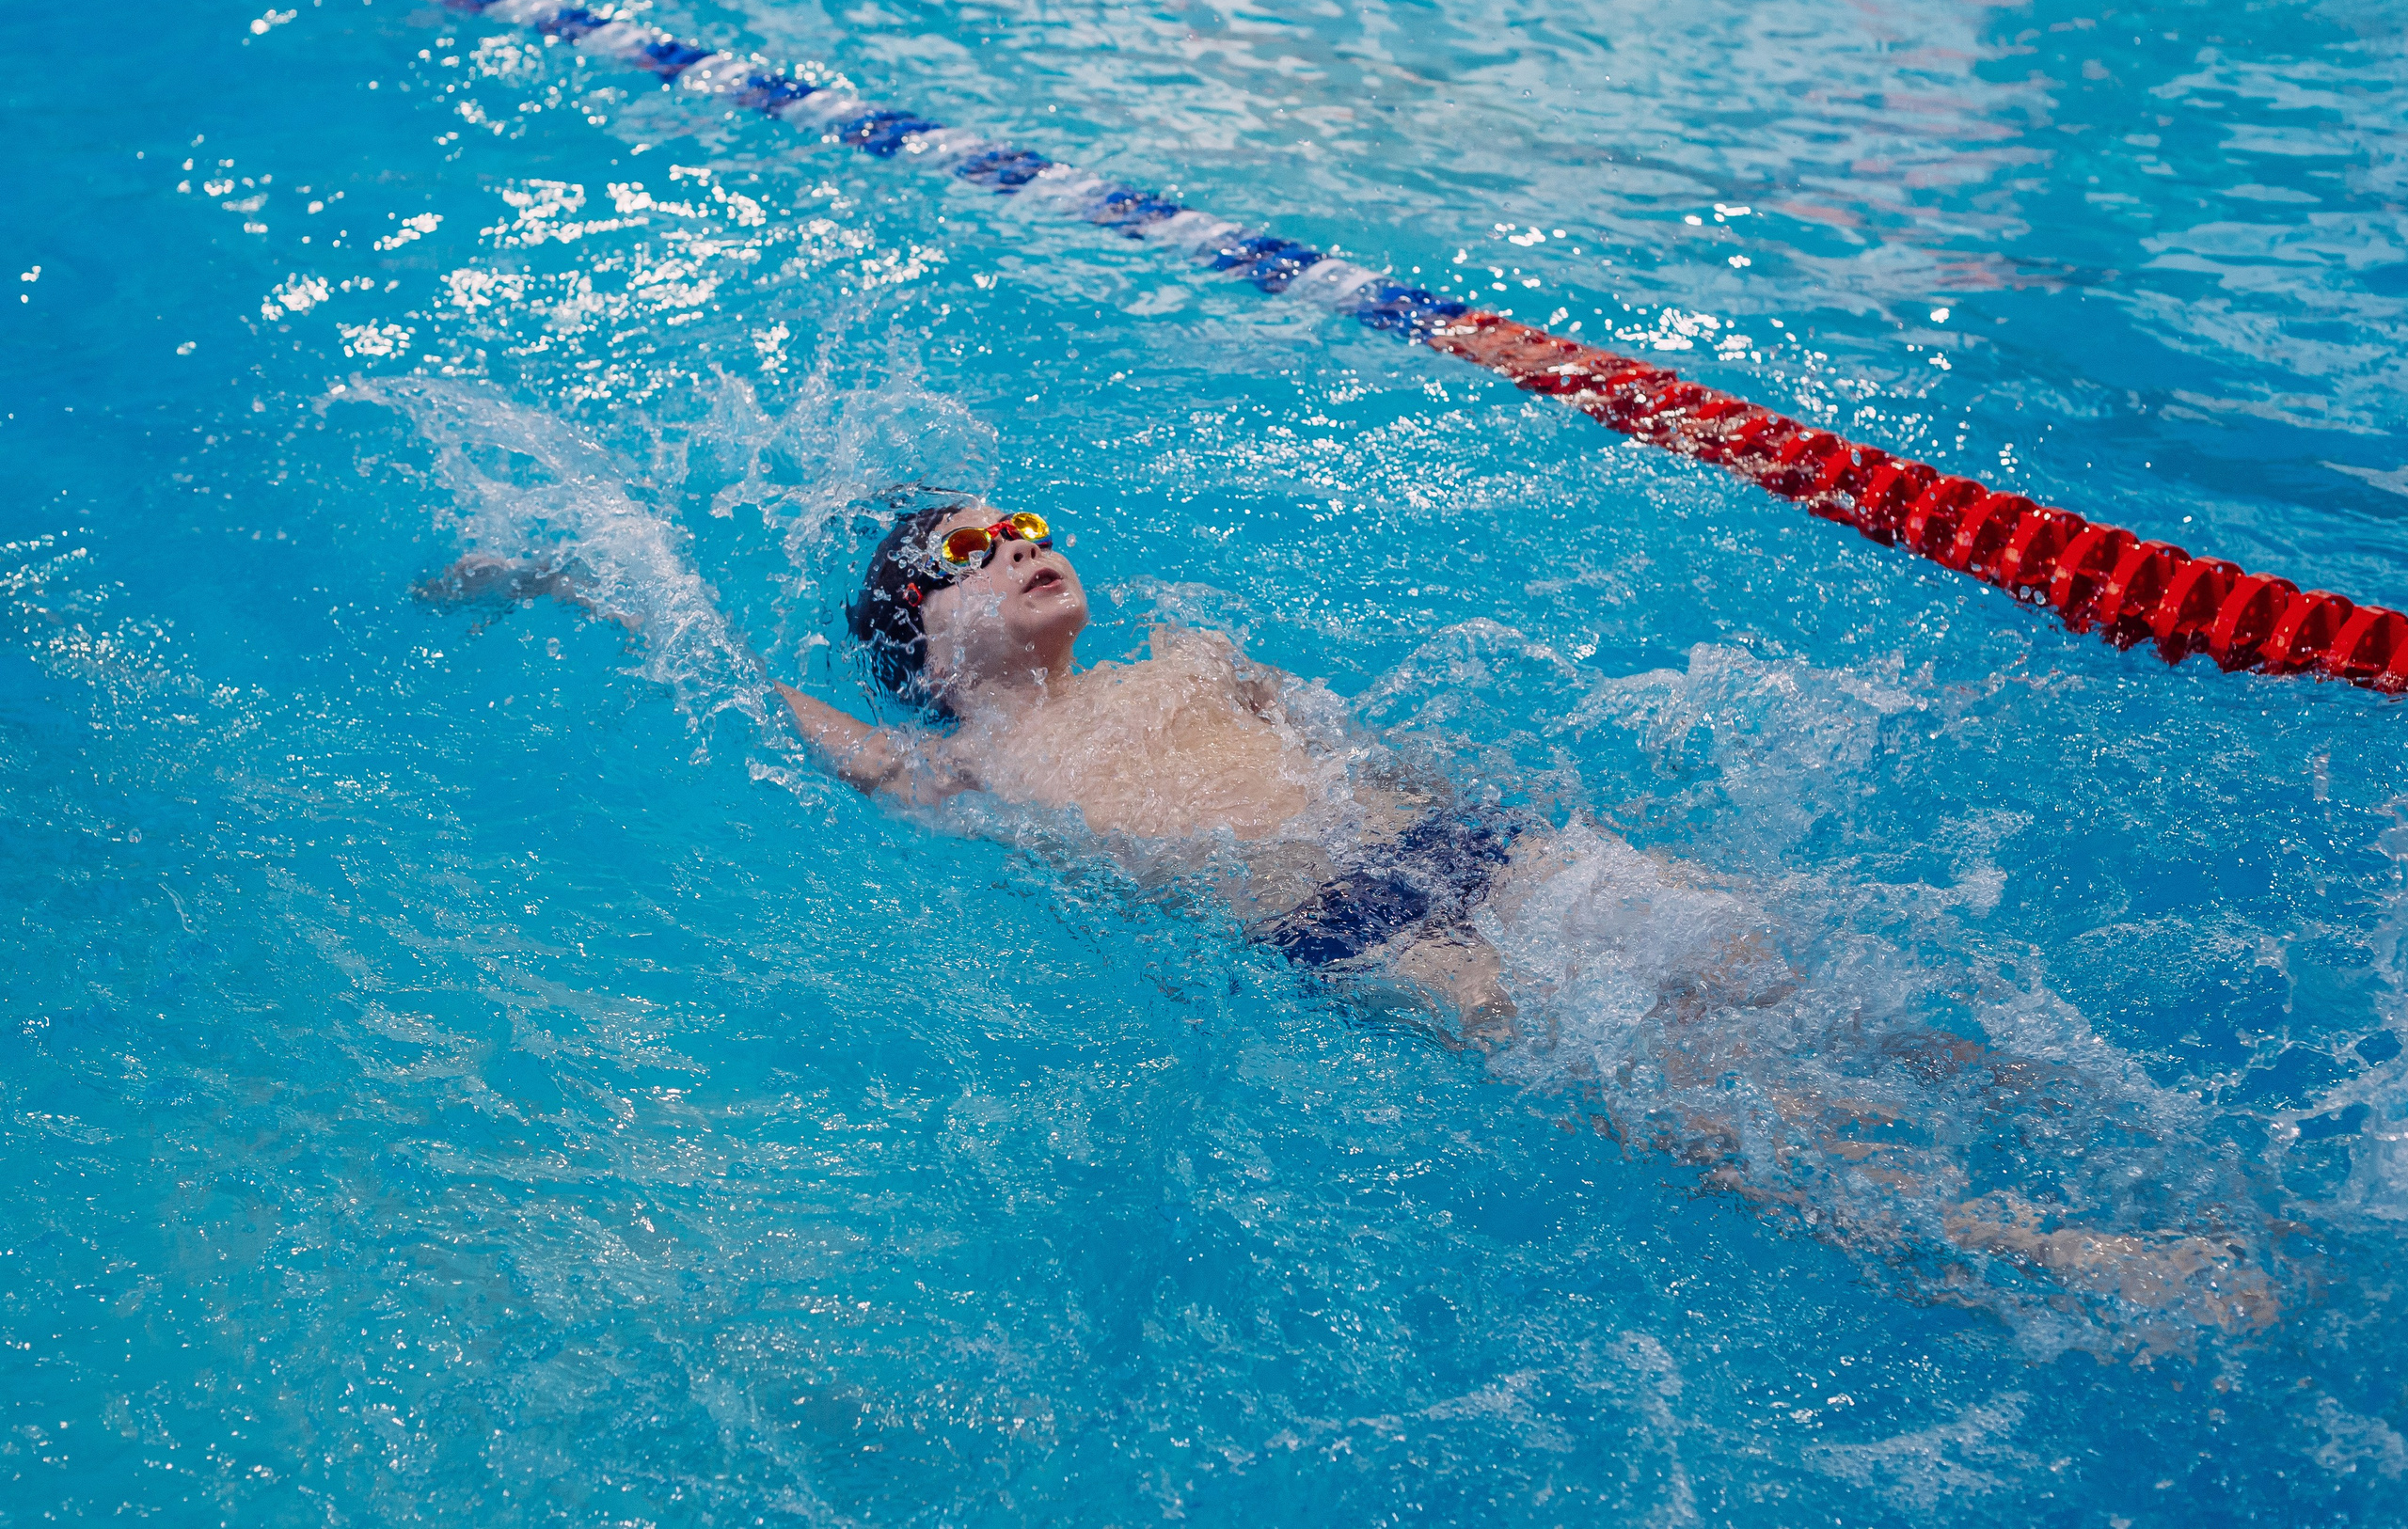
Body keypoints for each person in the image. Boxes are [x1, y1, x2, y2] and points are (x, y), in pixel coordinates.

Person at [424, 495, 2281, 1350]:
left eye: (1023, 521)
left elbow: (1398, 747)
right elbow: (722, 671)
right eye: (968, 550)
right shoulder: (956, 778)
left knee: (1810, 981)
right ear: (922, 640)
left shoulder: (1192, 650)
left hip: (1496, 855)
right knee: (1716, 1117)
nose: (1016, 545)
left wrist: (1591, 831)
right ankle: (2048, 1254)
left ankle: (2136, 1148)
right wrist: (571, 565)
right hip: (1382, 945)